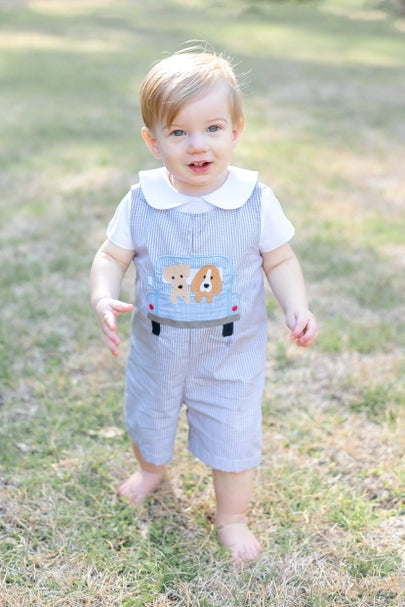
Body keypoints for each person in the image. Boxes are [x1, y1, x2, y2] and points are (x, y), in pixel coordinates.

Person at [90, 48, 318, 565]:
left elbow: (279, 261)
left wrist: (296, 307)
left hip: (230, 353)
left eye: (213, 128)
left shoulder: (255, 199)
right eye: (178, 133)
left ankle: (232, 516)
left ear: (236, 130)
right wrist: (104, 294)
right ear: (153, 142)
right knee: (149, 419)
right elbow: (110, 256)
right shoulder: (142, 201)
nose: (198, 144)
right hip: (159, 349)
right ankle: (151, 471)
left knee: (236, 434)